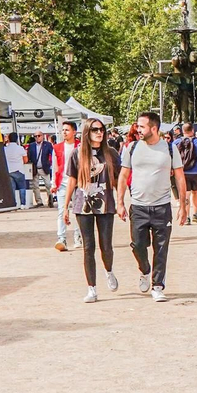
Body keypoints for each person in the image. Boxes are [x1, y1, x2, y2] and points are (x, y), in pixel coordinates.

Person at [117, 111, 184, 302]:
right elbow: (123, 175)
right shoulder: (132, 147)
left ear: (154, 128)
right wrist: (120, 202)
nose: (138, 129)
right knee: (138, 245)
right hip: (138, 206)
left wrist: (183, 205)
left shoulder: (170, 149)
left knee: (161, 248)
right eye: (138, 126)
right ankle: (145, 269)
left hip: (162, 206)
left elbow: (179, 176)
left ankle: (157, 285)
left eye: (142, 126)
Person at [65, 118, 120, 303]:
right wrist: (65, 207)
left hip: (105, 203)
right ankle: (92, 288)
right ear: (87, 132)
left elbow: (120, 178)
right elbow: (71, 180)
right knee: (88, 247)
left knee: (106, 245)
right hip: (82, 204)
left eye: (102, 129)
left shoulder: (110, 152)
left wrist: (120, 202)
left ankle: (109, 270)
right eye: (95, 129)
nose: (99, 132)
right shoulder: (77, 154)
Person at [54, 120, 80, 252]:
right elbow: (55, 166)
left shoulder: (80, 147)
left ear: (74, 132)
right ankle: (61, 238)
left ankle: (78, 236)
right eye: (63, 130)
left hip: (78, 184)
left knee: (77, 211)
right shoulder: (57, 147)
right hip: (62, 183)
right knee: (61, 211)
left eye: (67, 130)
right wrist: (54, 183)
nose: (64, 132)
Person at [177, 122, 197, 224]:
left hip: (182, 172)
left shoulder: (176, 142)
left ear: (183, 131)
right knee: (196, 193)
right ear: (193, 130)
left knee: (186, 194)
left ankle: (186, 217)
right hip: (196, 172)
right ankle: (196, 214)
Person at [3, 132, 29, 208]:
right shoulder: (20, 148)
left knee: (12, 188)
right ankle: (23, 204)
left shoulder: (5, 149)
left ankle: (13, 204)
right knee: (22, 187)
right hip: (19, 170)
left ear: (9, 139)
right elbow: (26, 160)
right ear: (17, 139)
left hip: (9, 170)